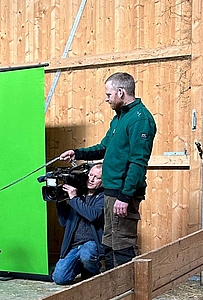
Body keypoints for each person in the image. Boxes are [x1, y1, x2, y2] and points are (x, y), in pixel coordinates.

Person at [60, 71, 156, 269]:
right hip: (111, 192)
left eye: (108, 94)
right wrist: (76, 153)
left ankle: (129, 292)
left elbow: (138, 162)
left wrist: (125, 196)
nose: (106, 99)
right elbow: (103, 147)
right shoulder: (119, 118)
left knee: (122, 245)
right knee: (110, 243)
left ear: (121, 92)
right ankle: (115, 293)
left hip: (123, 194)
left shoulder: (140, 119)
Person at [52, 163, 104, 285]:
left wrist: (74, 199)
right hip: (74, 245)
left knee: (86, 254)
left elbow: (93, 215)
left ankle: (92, 269)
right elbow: (64, 222)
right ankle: (83, 267)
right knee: (59, 278)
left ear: (104, 179)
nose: (91, 179)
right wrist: (59, 200)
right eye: (90, 175)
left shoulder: (104, 196)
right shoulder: (78, 194)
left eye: (96, 177)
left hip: (92, 243)